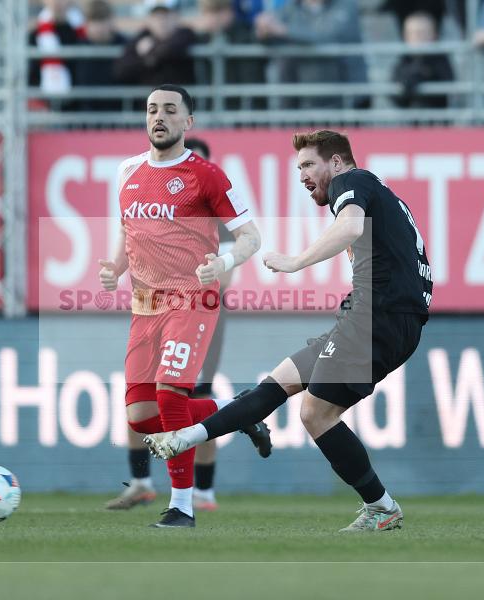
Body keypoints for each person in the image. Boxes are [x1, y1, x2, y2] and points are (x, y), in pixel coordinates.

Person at [146, 129, 433, 533]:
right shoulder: (380, 194)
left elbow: (350, 228)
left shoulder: (352, 181)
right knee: (276, 385)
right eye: (298, 167)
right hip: (375, 315)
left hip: (380, 316)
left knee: (316, 412)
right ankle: (185, 438)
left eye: (308, 164)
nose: (301, 175)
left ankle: (382, 508)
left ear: (336, 162)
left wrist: (296, 262)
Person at [98, 84, 270, 528]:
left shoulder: (206, 175)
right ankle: (239, 412)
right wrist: (116, 268)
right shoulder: (127, 171)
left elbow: (252, 237)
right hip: (144, 305)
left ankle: (182, 507)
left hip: (192, 299)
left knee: (171, 395)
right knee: (139, 417)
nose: (159, 116)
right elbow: (129, 231)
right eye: (152, 108)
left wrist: (225, 262)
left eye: (170, 110)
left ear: (187, 123)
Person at [106, 136, 230, 513]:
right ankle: (142, 482)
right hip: (148, 306)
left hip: (194, 308)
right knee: (139, 403)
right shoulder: (147, 194)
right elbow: (129, 237)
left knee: (185, 395)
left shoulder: (212, 211)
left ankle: (201, 494)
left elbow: (226, 273)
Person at [254, 0, 369, 109]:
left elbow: (328, 36)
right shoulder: (292, 7)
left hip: (348, 97)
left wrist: (284, 30)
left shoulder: (345, 5)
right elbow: (272, 37)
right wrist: (263, 31)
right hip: (303, 101)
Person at [113, 0, 197, 88]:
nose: (161, 22)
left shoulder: (185, 34)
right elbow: (121, 70)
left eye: (166, 16)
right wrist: (145, 61)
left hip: (178, 99)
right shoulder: (141, 37)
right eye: (156, 17)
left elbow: (170, 50)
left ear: (176, 16)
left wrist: (148, 54)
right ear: (149, 19)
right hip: (150, 100)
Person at [390, 11, 454, 109]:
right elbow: (396, 96)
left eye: (422, 33)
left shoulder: (440, 58)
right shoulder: (403, 60)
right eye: (412, 33)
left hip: (438, 121)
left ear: (434, 35)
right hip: (410, 122)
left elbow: (448, 89)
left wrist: (423, 76)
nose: (417, 38)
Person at [73, 0, 127, 112]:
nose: (98, 27)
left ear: (111, 20)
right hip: (85, 118)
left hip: (120, 118)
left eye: (102, 20)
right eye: (94, 21)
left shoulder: (126, 46)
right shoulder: (77, 48)